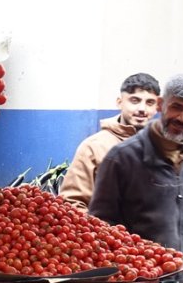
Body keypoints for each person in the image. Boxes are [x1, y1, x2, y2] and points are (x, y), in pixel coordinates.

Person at [89, 73, 183, 283]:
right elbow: (100, 224)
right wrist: (129, 270)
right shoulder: (123, 158)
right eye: (176, 107)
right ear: (161, 105)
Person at [60, 73, 160, 209]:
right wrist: (105, 230)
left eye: (149, 102)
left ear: (157, 107)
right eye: (135, 100)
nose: (142, 109)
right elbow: (72, 203)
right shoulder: (93, 147)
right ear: (120, 102)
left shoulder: (165, 148)